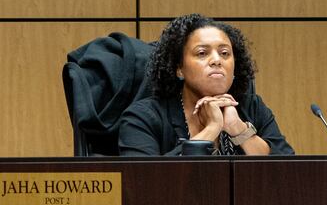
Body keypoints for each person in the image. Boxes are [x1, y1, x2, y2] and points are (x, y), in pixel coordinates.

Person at [118, 13, 294, 156]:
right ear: (179, 68)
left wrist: (238, 130)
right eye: (202, 53)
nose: (217, 60)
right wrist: (211, 129)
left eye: (225, 53)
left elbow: (286, 171)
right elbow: (143, 181)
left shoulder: (252, 107)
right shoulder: (143, 117)